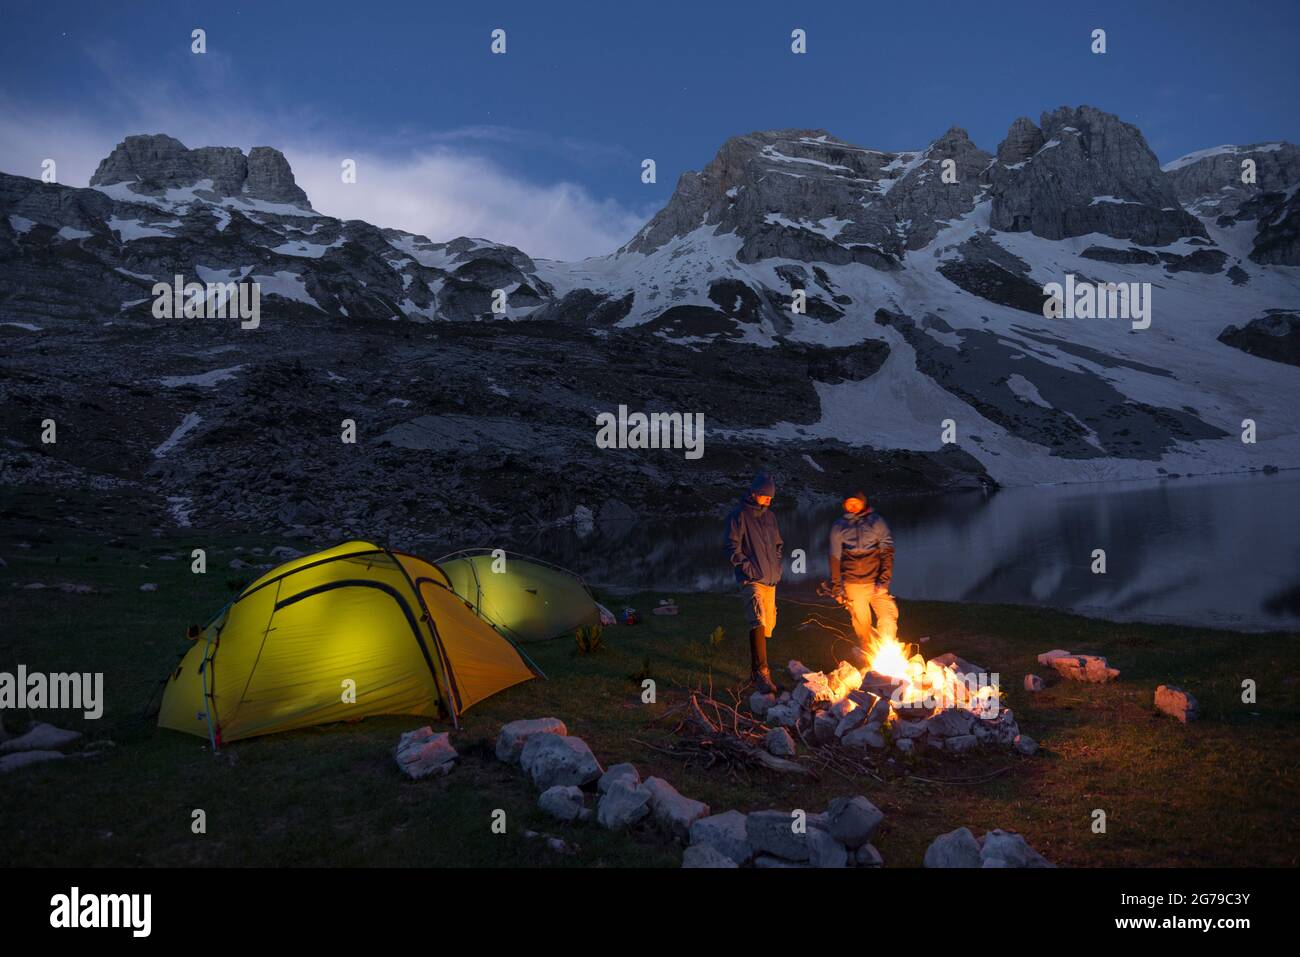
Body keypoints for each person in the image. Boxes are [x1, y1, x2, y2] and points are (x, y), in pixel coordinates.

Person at [723, 472, 783, 693]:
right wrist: (748, 569)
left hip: (770, 579)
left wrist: (777, 566)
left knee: (767, 624)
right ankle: (762, 674)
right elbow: (731, 547)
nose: (769, 500)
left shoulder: (770, 517)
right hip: (752, 579)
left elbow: (778, 545)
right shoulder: (738, 515)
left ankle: (754, 673)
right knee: (757, 619)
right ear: (755, 493)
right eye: (766, 496)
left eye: (771, 497)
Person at [829, 489, 898, 647]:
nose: (852, 506)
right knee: (862, 624)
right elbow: (834, 557)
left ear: (864, 503)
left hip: (877, 583)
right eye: (849, 503)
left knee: (888, 616)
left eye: (856, 502)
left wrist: (884, 581)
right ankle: (869, 656)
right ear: (844, 505)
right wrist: (837, 586)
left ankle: (888, 650)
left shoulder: (876, 522)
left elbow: (887, 551)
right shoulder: (838, 526)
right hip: (854, 584)